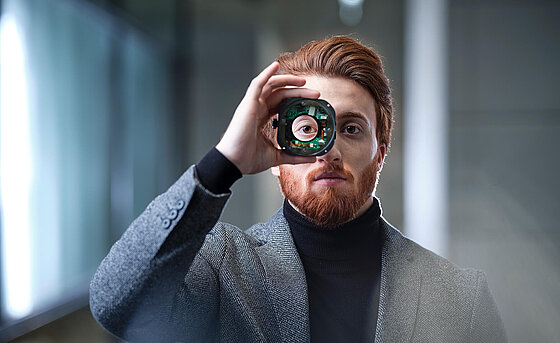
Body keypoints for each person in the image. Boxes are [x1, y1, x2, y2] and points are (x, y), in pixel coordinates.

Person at [90, 36, 507, 342]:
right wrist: (224, 163)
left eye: (351, 128)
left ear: (381, 151)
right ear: (275, 149)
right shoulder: (223, 268)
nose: (330, 150)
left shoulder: (460, 297)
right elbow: (115, 303)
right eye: (308, 129)